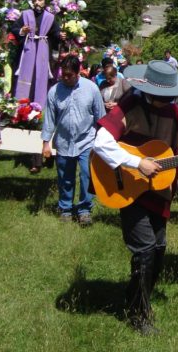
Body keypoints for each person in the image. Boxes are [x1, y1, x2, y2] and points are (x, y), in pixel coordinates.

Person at [91, 60, 178, 334]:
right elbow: (102, 141)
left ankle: (138, 297)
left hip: (158, 190)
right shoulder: (129, 105)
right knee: (144, 251)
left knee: (158, 250)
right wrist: (135, 162)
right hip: (128, 187)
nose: (168, 100)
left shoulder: (174, 112)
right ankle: (138, 313)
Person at [41, 55, 106, 226]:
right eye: (64, 74)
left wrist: (103, 140)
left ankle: (84, 210)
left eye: (70, 75)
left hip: (87, 140)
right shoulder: (54, 91)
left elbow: (100, 116)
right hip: (63, 141)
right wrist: (45, 143)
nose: (66, 78)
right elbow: (49, 119)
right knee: (65, 177)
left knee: (87, 175)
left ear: (79, 73)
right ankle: (66, 209)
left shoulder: (91, 88)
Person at [10, 0, 67, 106]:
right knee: (25, 78)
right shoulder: (25, 14)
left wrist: (60, 36)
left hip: (42, 53)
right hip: (27, 52)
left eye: (40, 0)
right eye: (35, 0)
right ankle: (21, 107)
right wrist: (22, 31)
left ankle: (39, 108)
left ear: (44, 2)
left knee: (40, 77)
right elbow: (14, 28)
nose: (37, 2)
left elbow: (55, 33)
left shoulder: (50, 17)